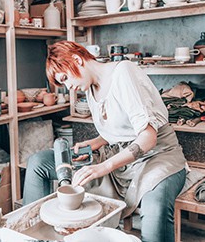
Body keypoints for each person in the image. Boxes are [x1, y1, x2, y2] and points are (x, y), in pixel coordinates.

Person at [23, 41, 187, 242]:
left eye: (65, 78)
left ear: (77, 59)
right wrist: (95, 143)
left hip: (157, 156)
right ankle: (28, 236)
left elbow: (147, 136)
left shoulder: (124, 72)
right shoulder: (90, 87)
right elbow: (118, 131)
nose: (69, 87)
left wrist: (103, 167)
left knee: (155, 207)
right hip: (117, 159)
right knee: (40, 162)